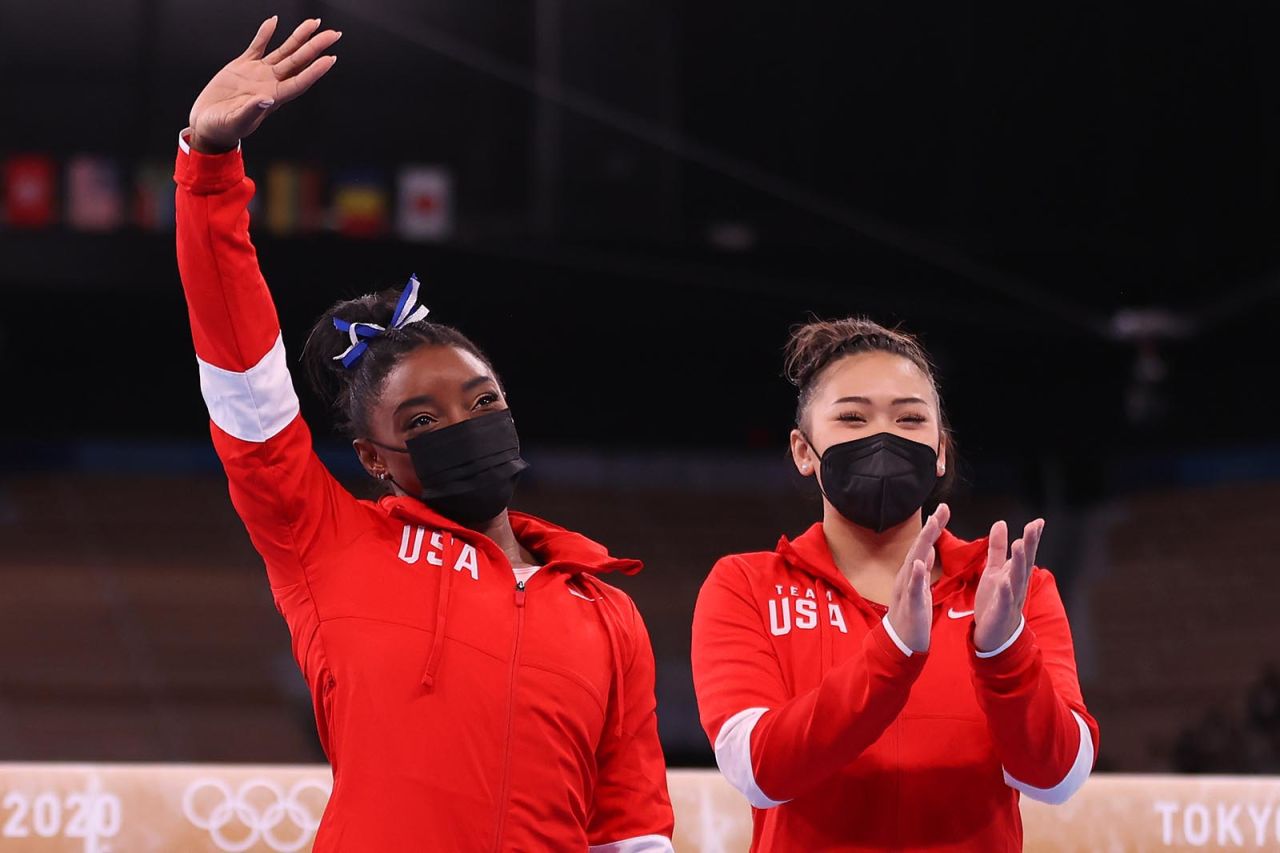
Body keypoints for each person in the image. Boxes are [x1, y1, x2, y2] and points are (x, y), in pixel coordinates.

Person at [174, 17, 673, 852]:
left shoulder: (605, 611)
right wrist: (208, 172)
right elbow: (245, 384)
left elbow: (631, 827)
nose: (463, 423)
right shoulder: (327, 544)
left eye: (481, 399)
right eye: (421, 420)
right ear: (372, 458)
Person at [691, 317, 1099, 851]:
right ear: (802, 450)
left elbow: (1058, 779)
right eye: (852, 417)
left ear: (940, 451)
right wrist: (893, 651)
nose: (881, 437)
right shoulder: (745, 584)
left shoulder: (1010, 589)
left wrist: (1004, 652)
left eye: (909, 419)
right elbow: (759, 772)